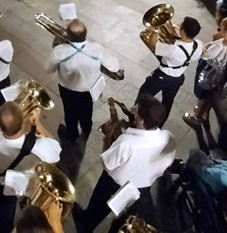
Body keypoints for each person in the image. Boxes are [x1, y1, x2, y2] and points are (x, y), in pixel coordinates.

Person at [74, 94, 176, 233]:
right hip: (141, 188)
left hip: (113, 184)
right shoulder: (169, 137)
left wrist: (108, 137)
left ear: (141, 120)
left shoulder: (127, 143)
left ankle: (86, 224)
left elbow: (107, 164)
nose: (132, 110)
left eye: (136, 111)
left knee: (98, 208)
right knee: (123, 219)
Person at [0, 101, 61, 233]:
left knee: (3, 207)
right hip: (25, 183)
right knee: (17, 205)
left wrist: (0, 123)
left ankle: (3, 227)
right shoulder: (40, 146)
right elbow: (56, 150)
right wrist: (38, 124)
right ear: (22, 124)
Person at [47, 18, 121, 140]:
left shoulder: (59, 51)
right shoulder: (96, 48)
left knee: (70, 114)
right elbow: (114, 67)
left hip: (68, 90)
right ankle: (86, 130)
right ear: (86, 33)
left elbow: (49, 69)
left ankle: (72, 134)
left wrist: (56, 46)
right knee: (87, 113)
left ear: (67, 34)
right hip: (89, 91)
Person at [138, 16, 202, 123]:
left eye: (180, 26)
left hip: (162, 76)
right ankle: (160, 124)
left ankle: (136, 117)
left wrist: (155, 30)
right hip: (178, 78)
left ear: (183, 31)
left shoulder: (173, 49)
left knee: (144, 94)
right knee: (168, 101)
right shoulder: (198, 44)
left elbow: (154, 44)